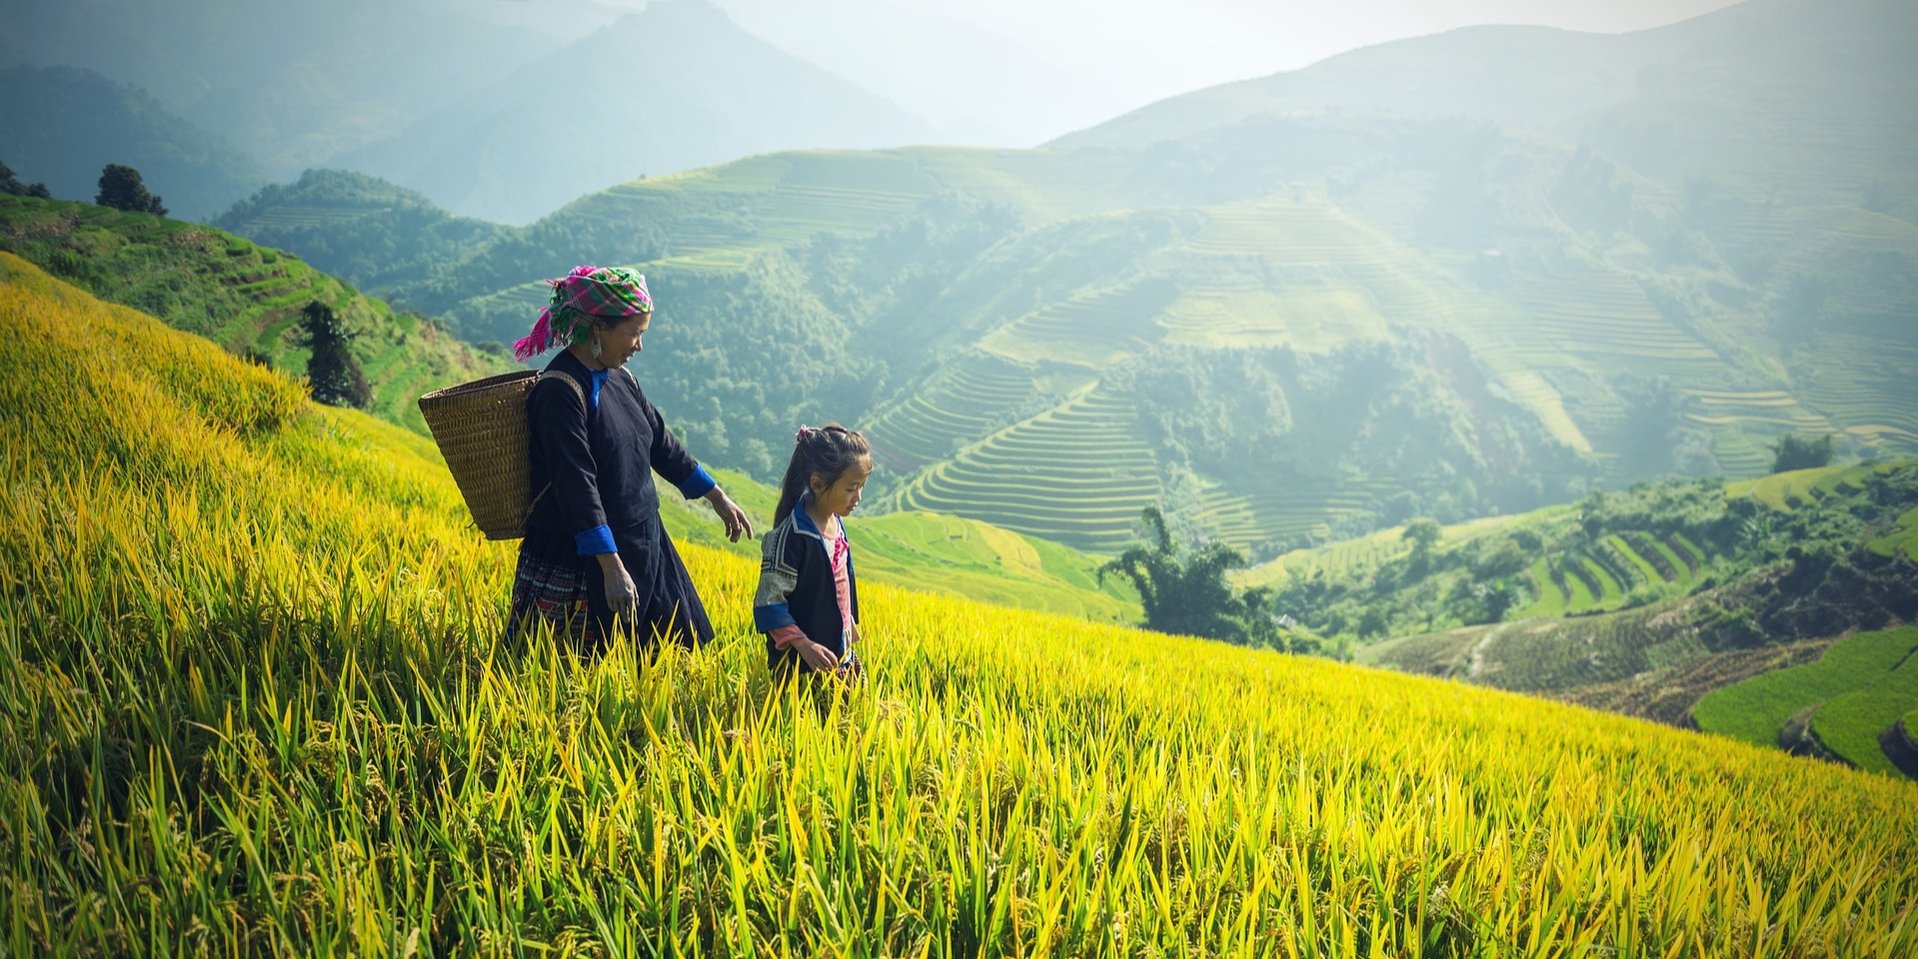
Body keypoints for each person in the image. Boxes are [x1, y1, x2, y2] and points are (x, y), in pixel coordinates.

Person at [504, 264, 753, 654]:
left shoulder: (622, 379)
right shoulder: (560, 391)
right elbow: (576, 485)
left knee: (676, 655)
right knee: (581, 668)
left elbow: (661, 444)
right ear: (598, 328)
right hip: (586, 557)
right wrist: (610, 566)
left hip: (644, 541)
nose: (639, 345)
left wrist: (717, 497)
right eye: (634, 333)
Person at [753, 424, 873, 682]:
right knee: (806, 719)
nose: (858, 497)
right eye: (851, 488)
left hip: (838, 657)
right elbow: (769, 602)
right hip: (801, 668)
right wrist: (805, 645)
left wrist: (848, 621)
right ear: (817, 483)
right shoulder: (792, 536)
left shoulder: (836, 525)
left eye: (862, 486)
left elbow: (840, 583)